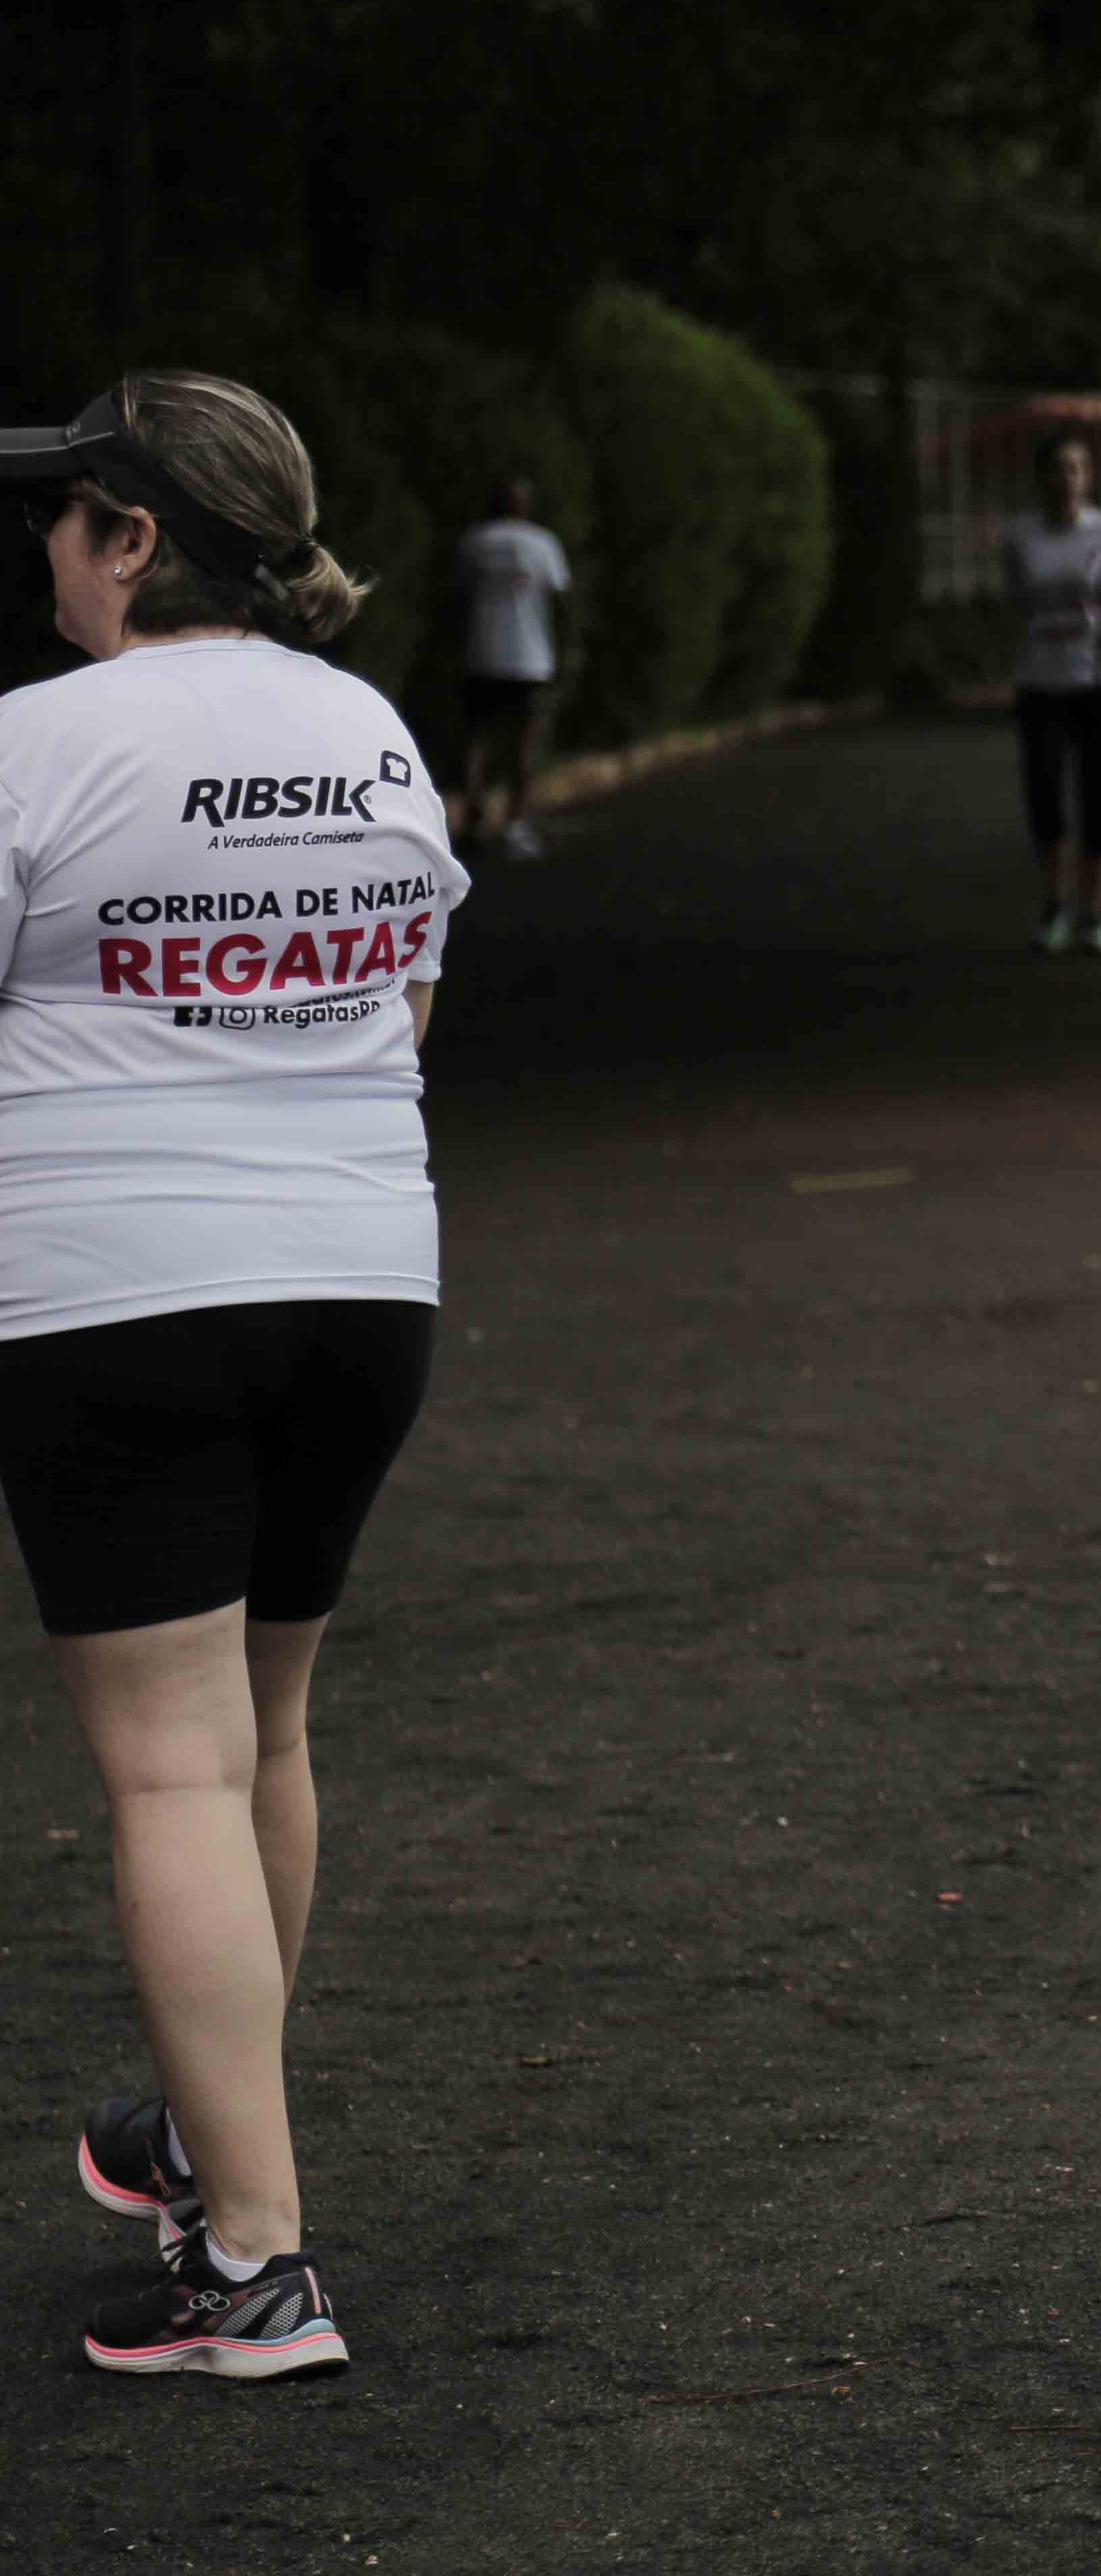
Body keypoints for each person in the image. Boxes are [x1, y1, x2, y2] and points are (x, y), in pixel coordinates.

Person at [0, 371, 468, 2377]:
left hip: (120, 1287)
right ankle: (211, 2132)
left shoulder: (38, 744)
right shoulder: (368, 728)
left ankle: (260, 2267)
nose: (41, 546)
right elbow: (408, 994)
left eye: (66, 513)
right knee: (261, 1729)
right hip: (365, 1280)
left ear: (130, 541)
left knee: (171, 1761)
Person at [1006, 431, 1101, 956]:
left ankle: (1095, 914)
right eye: (1058, 467)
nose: (1068, 478)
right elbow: (1017, 600)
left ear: (1089, 476)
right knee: (1044, 791)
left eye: (1077, 467)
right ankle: (1056, 903)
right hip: (1042, 680)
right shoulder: (1022, 535)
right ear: (1042, 476)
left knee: (1097, 794)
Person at [453, 476, 567, 864]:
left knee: (477, 740)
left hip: (482, 654)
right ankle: (515, 825)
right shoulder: (543, 543)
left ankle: (473, 821)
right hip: (530, 659)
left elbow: (460, 597)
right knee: (524, 743)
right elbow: (561, 599)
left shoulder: (474, 542)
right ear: (525, 506)